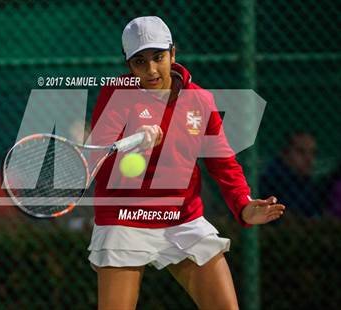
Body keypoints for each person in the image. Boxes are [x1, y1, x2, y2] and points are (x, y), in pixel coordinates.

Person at [88, 16, 285, 309]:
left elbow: (223, 163)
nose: (152, 69)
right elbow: (97, 157)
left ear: (173, 53)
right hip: (124, 218)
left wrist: (243, 205)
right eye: (140, 62)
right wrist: (134, 146)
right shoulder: (115, 95)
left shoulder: (200, 100)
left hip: (182, 219)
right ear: (128, 64)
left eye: (158, 57)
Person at [259, 131, 321, 218]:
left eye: (313, 152)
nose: (309, 158)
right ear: (285, 153)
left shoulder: (308, 183)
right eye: (301, 151)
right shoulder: (271, 180)